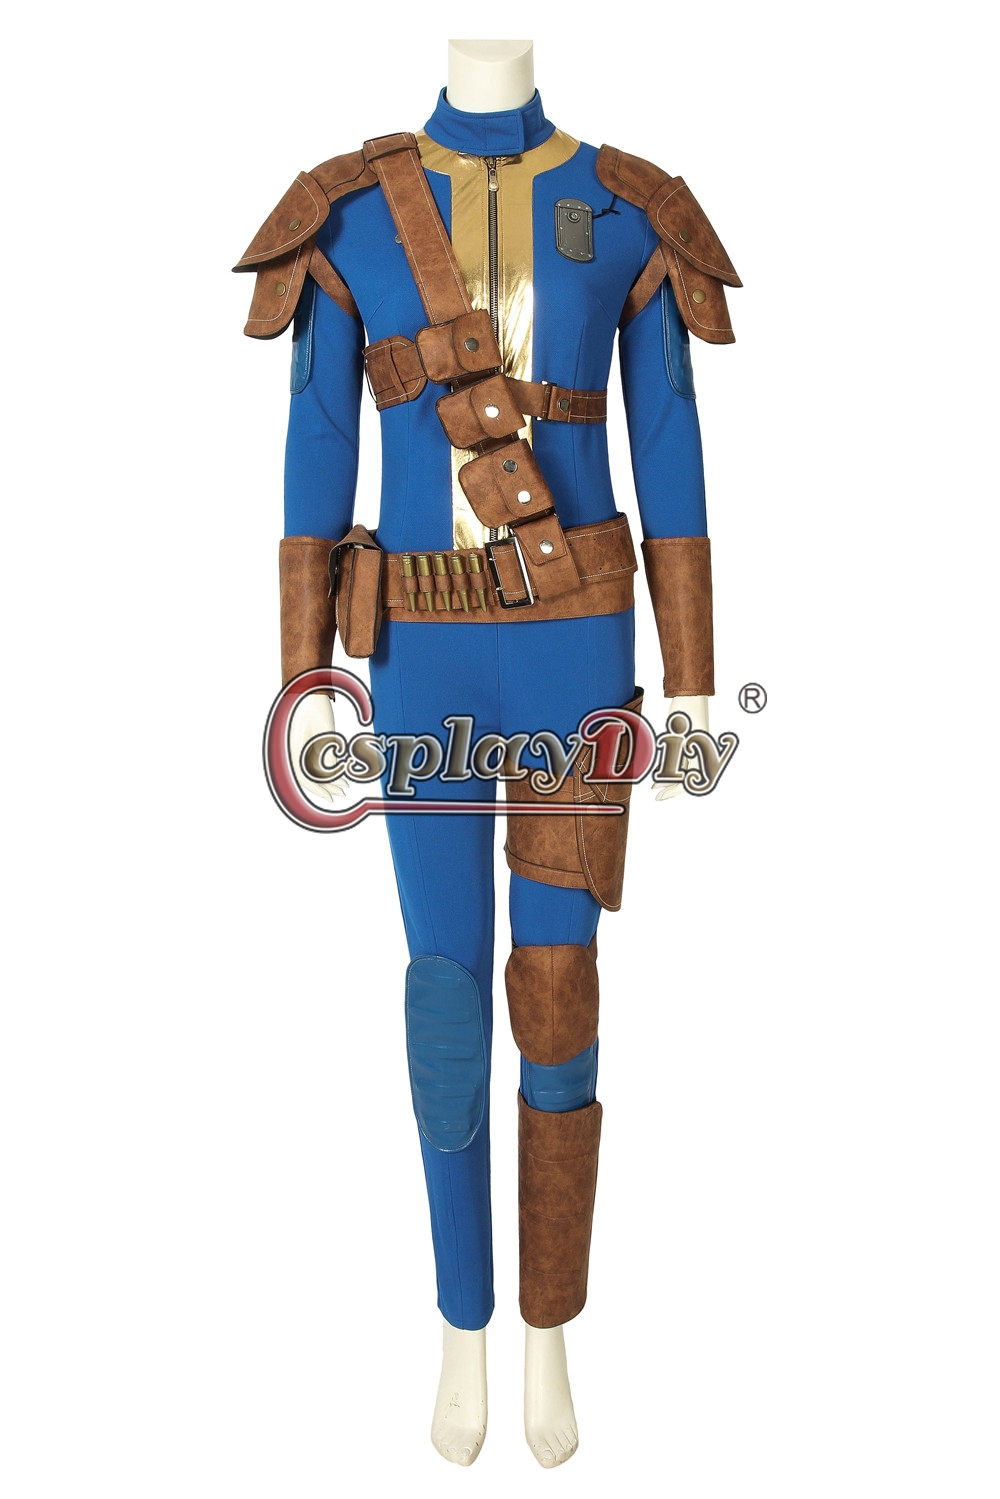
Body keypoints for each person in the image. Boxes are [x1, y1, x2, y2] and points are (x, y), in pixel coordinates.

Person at [234, 37, 738, 1468]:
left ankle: (549, 1334)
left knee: (559, 992)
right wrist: (303, 670)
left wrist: (692, 681)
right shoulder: (342, 219)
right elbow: (314, 452)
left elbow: (671, 447)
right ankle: (461, 1324)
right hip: (418, 660)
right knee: (447, 996)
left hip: (579, 652)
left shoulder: (631, 210)